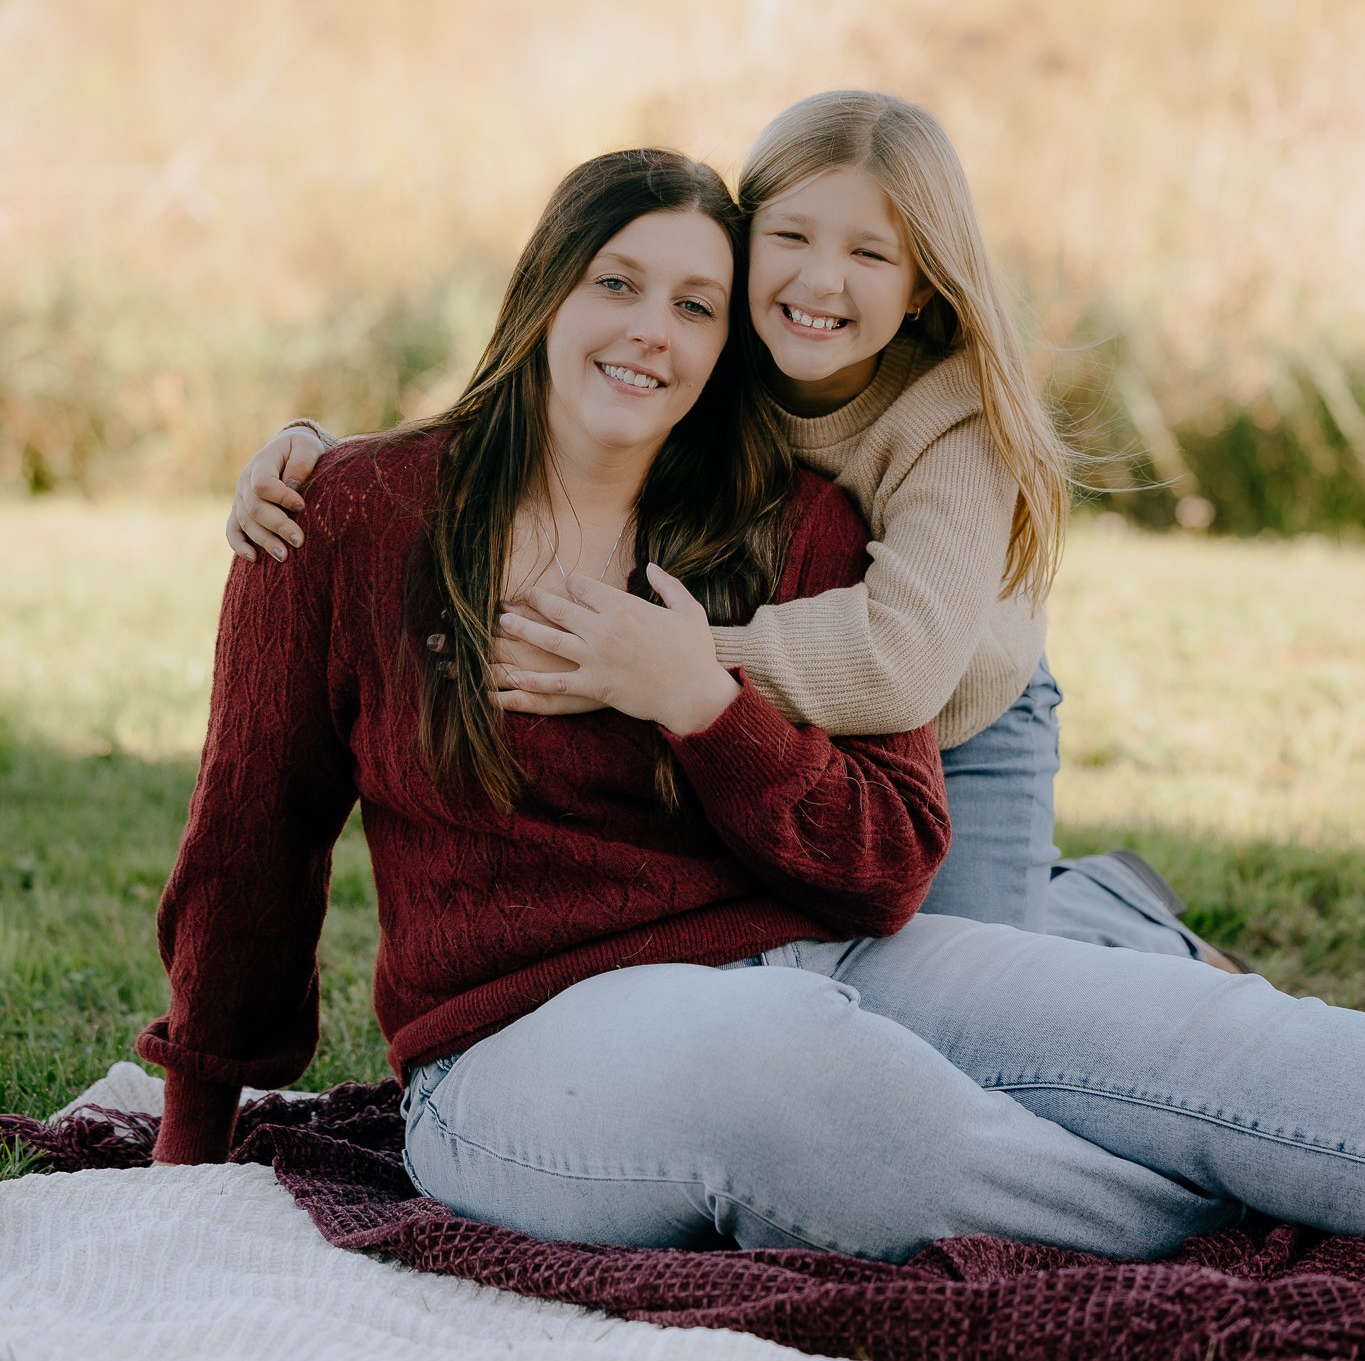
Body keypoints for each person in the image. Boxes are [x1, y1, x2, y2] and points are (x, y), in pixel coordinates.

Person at [141, 147, 1365, 1263]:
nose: (648, 332)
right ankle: (1233, 1235)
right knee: (821, 1084)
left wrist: (703, 704)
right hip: (520, 1050)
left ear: (730, 343)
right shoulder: (348, 514)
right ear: (546, 293)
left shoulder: (796, 518)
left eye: (694, 306)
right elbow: (252, 833)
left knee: (1203, 1036)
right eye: (617, 284)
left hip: (831, 952)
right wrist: (192, 1128)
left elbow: (889, 863)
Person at [223, 92, 1234, 967]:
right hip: (788, 699)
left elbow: (899, 665)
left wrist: (664, 660)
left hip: (963, 707)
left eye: (870, 253)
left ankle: (1112, 920)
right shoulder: (724, 334)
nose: (820, 281)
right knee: (866, 979)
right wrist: (325, 450)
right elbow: (541, 396)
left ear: (925, 281)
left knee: (991, 989)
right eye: (790, 237)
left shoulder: (956, 417)